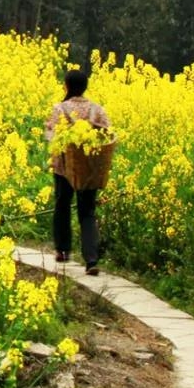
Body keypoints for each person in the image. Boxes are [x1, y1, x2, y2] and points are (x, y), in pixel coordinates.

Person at [45, 68, 111, 274]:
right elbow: (108, 135)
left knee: (62, 205)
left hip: (64, 167)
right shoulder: (97, 110)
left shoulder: (59, 109)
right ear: (85, 87)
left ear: (66, 86)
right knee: (87, 211)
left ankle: (63, 250)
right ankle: (91, 260)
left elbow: (51, 137)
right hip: (89, 169)